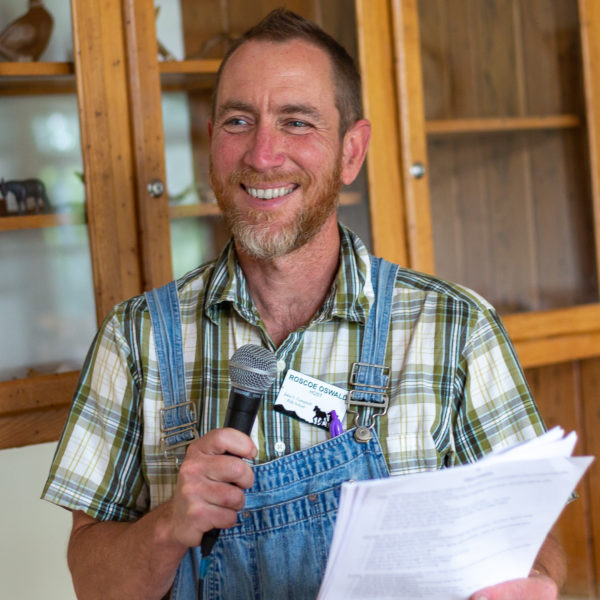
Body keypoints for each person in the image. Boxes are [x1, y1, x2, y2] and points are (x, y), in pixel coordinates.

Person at [43, 8, 566, 600]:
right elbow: (92, 581)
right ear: (212, 142)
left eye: (297, 123)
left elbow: (535, 532)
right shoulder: (135, 337)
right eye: (239, 121)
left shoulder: (454, 327)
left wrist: (533, 582)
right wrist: (167, 526)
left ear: (351, 151)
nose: (263, 155)